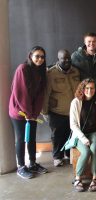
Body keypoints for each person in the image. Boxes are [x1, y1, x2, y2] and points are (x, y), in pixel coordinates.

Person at [9, 46, 48, 179]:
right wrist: (28, 113)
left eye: (42, 57)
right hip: (19, 112)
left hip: (31, 113)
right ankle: (21, 166)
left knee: (31, 138)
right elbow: (21, 94)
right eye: (37, 56)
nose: (40, 59)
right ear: (30, 56)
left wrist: (34, 112)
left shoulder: (41, 71)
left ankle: (32, 163)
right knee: (21, 138)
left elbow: (40, 95)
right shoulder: (23, 69)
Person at [42, 49, 80, 167]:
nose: (67, 60)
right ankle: (57, 156)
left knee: (70, 134)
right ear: (58, 59)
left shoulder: (76, 71)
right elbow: (46, 94)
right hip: (56, 111)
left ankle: (68, 154)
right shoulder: (51, 73)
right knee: (57, 135)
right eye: (64, 58)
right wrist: (44, 112)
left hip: (73, 111)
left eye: (68, 58)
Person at [70, 78, 96, 192]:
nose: (89, 90)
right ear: (82, 89)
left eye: (92, 88)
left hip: (94, 132)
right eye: (87, 88)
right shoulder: (76, 102)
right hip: (80, 134)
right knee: (86, 151)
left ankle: (95, 178)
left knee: (94, 149)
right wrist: (83, 138)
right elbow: (73, 124)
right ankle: (78, 178)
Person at [71, 32, 96, 99]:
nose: (91, 44)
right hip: (83, 93)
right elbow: (66, 66)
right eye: (89, 41)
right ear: (85, 42)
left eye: (94, 41)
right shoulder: (76, 56)